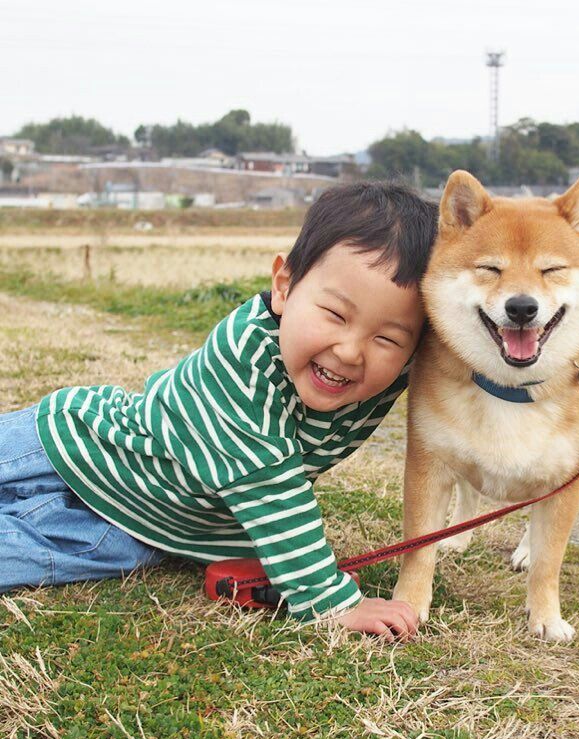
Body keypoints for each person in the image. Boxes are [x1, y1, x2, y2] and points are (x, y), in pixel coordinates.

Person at [0, 181, 438, 641]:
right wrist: (329, 599)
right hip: (69, 446)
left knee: (19, 556)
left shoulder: (395, 370)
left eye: (386, 338)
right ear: (284, 286)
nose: (350, 351)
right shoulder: (244, 360)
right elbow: (269, 487)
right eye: (335, 314)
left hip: (140, 528)